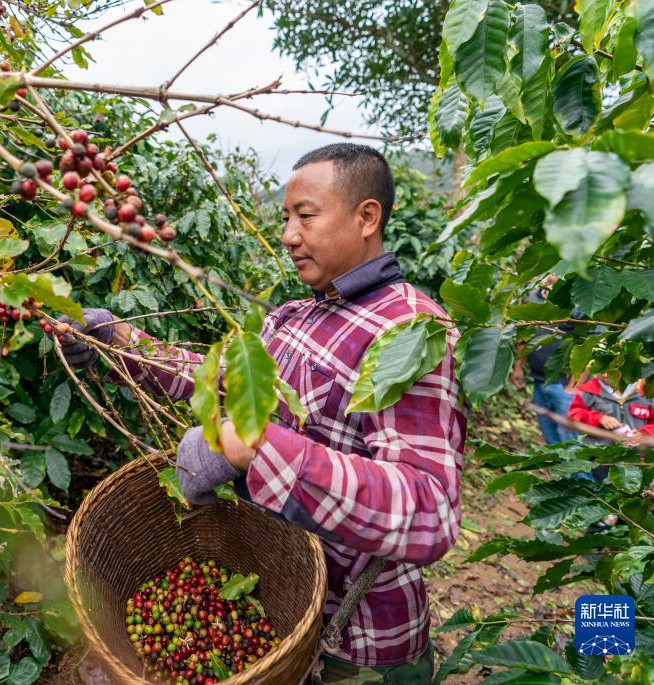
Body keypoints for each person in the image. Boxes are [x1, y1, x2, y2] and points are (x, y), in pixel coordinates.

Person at [58, 144, 466, 684]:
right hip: (278, 606)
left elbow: (429, 510)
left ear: (367, 217)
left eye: (306, 216)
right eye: (285, 218)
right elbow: (218, 380)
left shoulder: (409, 332)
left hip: (357, 643)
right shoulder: (295, 316)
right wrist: (119, 340)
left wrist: (255, 446)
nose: (289, 235)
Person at [510, 276, 579, 444]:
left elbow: (589, 343)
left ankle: (578, 471)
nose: (551, 275)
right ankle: (559, 470)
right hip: (539, 381)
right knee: (550, 437)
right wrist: (518, 367)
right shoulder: (532, 297)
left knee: (569, 440)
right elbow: (524, 336)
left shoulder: (576, 301)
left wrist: (574, 386)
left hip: (565, 384)